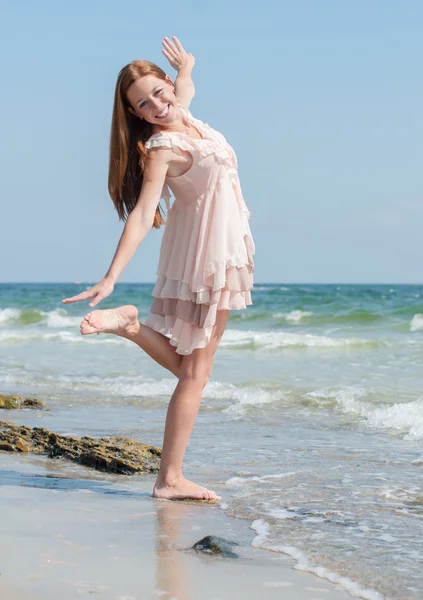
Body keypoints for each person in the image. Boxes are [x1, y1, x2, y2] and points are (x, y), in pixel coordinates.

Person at [63, 36, 255, 501]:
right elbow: (144, 212)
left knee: (195, 370)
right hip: (208, 259)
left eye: (159, 93)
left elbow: (184, 88)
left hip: (223, 252)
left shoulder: (185, 115)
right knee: (195, 373)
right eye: (142, 104)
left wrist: (186, 66)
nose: (156, 105)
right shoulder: (163, 146)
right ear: (134, 114)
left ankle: (130, 326)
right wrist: (110, 277)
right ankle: (169, 480)